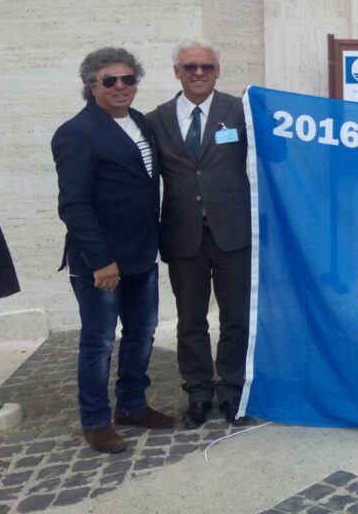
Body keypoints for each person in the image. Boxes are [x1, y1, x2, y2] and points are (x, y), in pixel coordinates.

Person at [52, 48, 175, 454]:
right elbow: (73, 204)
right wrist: (101, 260)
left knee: (142, 334)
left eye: (128, 79)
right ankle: (95, 420)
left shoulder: (139, 123)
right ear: (91, 86)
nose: (121, 87)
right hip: (101, 262)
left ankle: (133, 405)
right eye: (110, 80)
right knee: (99, 342)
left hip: (142, 253)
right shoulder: (76, 133)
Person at [146, 39, 252, 427]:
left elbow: (270, 155)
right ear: (177, 72)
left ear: (218, 70)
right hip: (182, 233)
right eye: (190, 67)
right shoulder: (155, 119)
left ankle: (232, 391)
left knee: (235, 317)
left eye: (206, 67)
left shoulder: (239, 112)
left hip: (233, 233)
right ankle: (198, 393)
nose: (198, 73)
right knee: (190, 320)